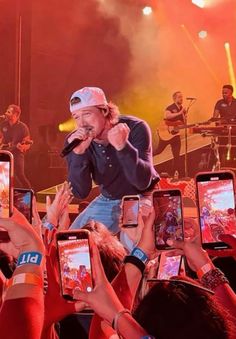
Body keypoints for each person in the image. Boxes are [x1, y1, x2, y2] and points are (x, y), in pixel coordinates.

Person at [64, 87, 159, 233]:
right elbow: (80, 192)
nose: (81, 123)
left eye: (87, 114)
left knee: (133, 243)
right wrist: (79, 154)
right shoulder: (76, 141)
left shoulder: (135, 128)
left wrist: (123, 146)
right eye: (76, 117)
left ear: (105, 111)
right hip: (108, 199)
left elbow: (142, 181)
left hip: (140, 196)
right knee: (73, 242)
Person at [0, 104, 32, 188]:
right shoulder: (3, 125)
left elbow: (27, 143)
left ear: (16, 115)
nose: (6, 113)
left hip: (17, 155)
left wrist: (23, 147)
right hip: (5, 153)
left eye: (9, 112)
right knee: (4, 176)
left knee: (20, 175)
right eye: (7, 111)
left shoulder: (23, 127)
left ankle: (31, 195)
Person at [157, 91, 186, 177]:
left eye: (182, 97)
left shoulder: (182, 109)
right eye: (179, 97)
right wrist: (179, 113)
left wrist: (184, 117)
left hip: (176, 136)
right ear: (174, 99)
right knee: (159, 150)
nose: (181, 99)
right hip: (166, 133)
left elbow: (182, 123)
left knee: (177, 156)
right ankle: (146, 159)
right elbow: (167, 116)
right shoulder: (170, 107)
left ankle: (172, 174)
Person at [212, 84, 236, 168]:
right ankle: (221, 168)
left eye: (225, 93)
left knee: (234, 152)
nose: (223, 94)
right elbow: (214, 117)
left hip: (234, 132)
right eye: (223, 93)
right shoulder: (219, 103)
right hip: (223, 132)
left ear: (231, 93)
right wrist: (219, 122)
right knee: (221, 151)